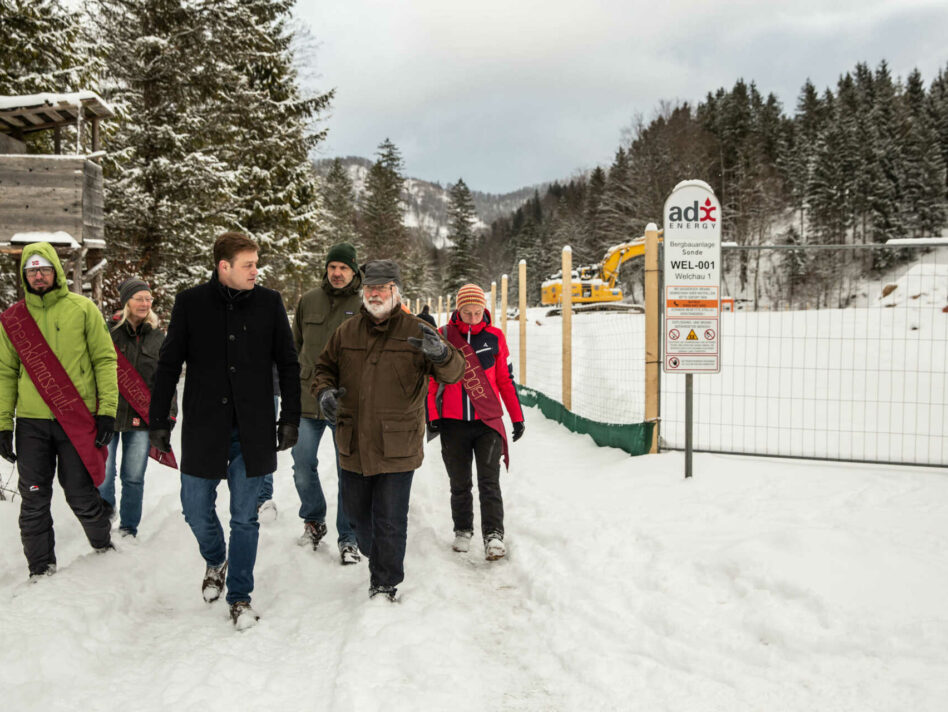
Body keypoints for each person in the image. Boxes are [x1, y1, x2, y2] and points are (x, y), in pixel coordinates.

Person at [149, 232, 300, 630]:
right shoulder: (190, 303)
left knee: (245, 518)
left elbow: (288, 363)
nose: (256, 271)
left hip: (252, 430)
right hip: (203, 428)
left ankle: (239, 596)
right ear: (224, 267)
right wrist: (159, 421)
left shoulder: (269, 303)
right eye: (248, 264)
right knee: (195, 509)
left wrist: (290, 419)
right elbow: (168, 366)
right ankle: (216, 558)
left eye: (256, 264)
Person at [313, 259, 464, 601]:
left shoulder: (417, 330)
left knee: (390, 518)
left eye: (382, 288)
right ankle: (375, 553)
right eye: (369, 288)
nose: (375, 294)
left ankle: (385, 582)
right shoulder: (347, 331)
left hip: (398, 445)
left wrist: (441, 354)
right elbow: (324, 368)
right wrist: (323, 392)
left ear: (396, 292)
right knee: (358, 518)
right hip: (353, 442)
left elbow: (455, 374)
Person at [0, 243, 117, 579]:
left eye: (44, 269)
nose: (38, 275)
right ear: (24, 276)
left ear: (56, 271)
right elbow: (5, 372)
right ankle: (40, 570)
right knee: (34, 498)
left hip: (75, 419)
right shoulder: (13, 320)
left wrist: (106, 411)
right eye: (31, 271)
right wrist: (3, 424)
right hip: (32, 424)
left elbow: (104, 360)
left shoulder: (83, 309)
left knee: (80, 494)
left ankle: (102, 545)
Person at [427, 284, 525, 560]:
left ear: (485, 310)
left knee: (489, 482)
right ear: (458, 310)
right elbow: (432, 380)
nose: (472, 317)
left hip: (487, 422)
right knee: (459, 482)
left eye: (477, 312)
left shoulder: (495, 337)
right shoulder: (444, 336)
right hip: (453, 422)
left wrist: (516, 417)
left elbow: (505, 381)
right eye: (467, 312)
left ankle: (494, 535)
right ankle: (462, 529)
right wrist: (433, 417)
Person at [292, 242, 362, 564]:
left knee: (347, 470)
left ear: (353, 271)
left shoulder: (362, 306)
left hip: (344, 403)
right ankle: (313, 519)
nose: (337, 273)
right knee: (302, 464)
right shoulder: (308, 301)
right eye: (332, 267)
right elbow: (295, 347)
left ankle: (348, 538)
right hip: (308, 399)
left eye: (343, 268)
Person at [100, 278, 177, 539]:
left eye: (148, 299)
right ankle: (103, 519)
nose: (145, 304)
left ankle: (128, 529)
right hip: (108, 415)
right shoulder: (106, 333)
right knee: (103, 475)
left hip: (141, 418)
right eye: (139, 298)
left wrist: (169, 416)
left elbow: (167, 380)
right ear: (126, 302)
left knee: (133, 477)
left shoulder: (158, 338)